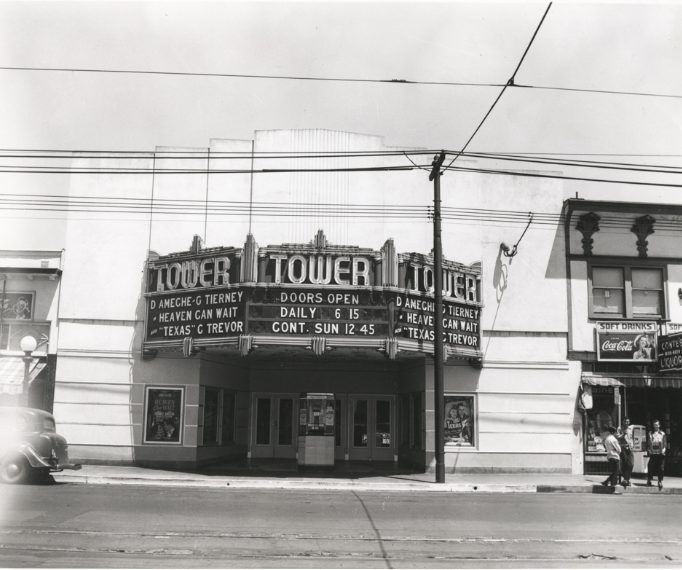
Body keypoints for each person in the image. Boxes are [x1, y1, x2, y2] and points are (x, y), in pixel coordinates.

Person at [647, 420, 667, 490]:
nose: (655, 426)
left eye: (656, 425)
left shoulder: (662, 434)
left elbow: (665, 444)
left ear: (659, 425)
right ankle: (649, 480)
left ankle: (660, 481)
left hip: (660, 454)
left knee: (661, 468)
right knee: (650, 466)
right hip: (653, 453)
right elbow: (649, 443)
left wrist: (663, 450)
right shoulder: (650, 433)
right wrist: (649, 450)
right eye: (654, 425)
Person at [617, 417, 634, 487]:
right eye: (625, 422)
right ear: (623, 422)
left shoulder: (631, 428)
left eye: (627, 422)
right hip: (623, 447)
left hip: (629, 448)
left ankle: (626, 479)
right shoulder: (619, 428)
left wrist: (633, 445)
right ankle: (626, 479)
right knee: (624, 463)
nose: (626, 423)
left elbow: (632, 437)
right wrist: (623, 434)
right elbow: (618, 437)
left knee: (631, 463)